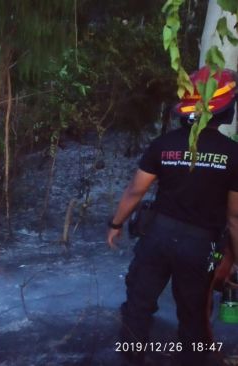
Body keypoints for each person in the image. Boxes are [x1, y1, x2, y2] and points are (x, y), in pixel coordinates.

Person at [107, 66, 238, 366]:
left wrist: (115, 224)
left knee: (138, 305)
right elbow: (234, 218)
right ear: (225, 110)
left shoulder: (164, 144)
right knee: (193, 318)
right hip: (199, 246)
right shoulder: (233, 155)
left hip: (157, 237)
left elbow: (134, 192)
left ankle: (131, 359)